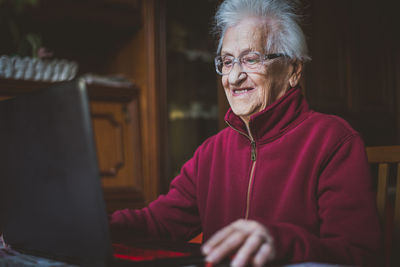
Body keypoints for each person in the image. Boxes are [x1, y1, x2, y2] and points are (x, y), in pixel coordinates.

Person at [109, 0, 382, 266]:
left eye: (251, 59)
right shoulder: (210, 152)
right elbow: (157, 223)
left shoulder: (334, 141)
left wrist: (281, 243)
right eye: (227, 62)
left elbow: (357, 255)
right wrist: (89, 226)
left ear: (294, 70)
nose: (234, 77)